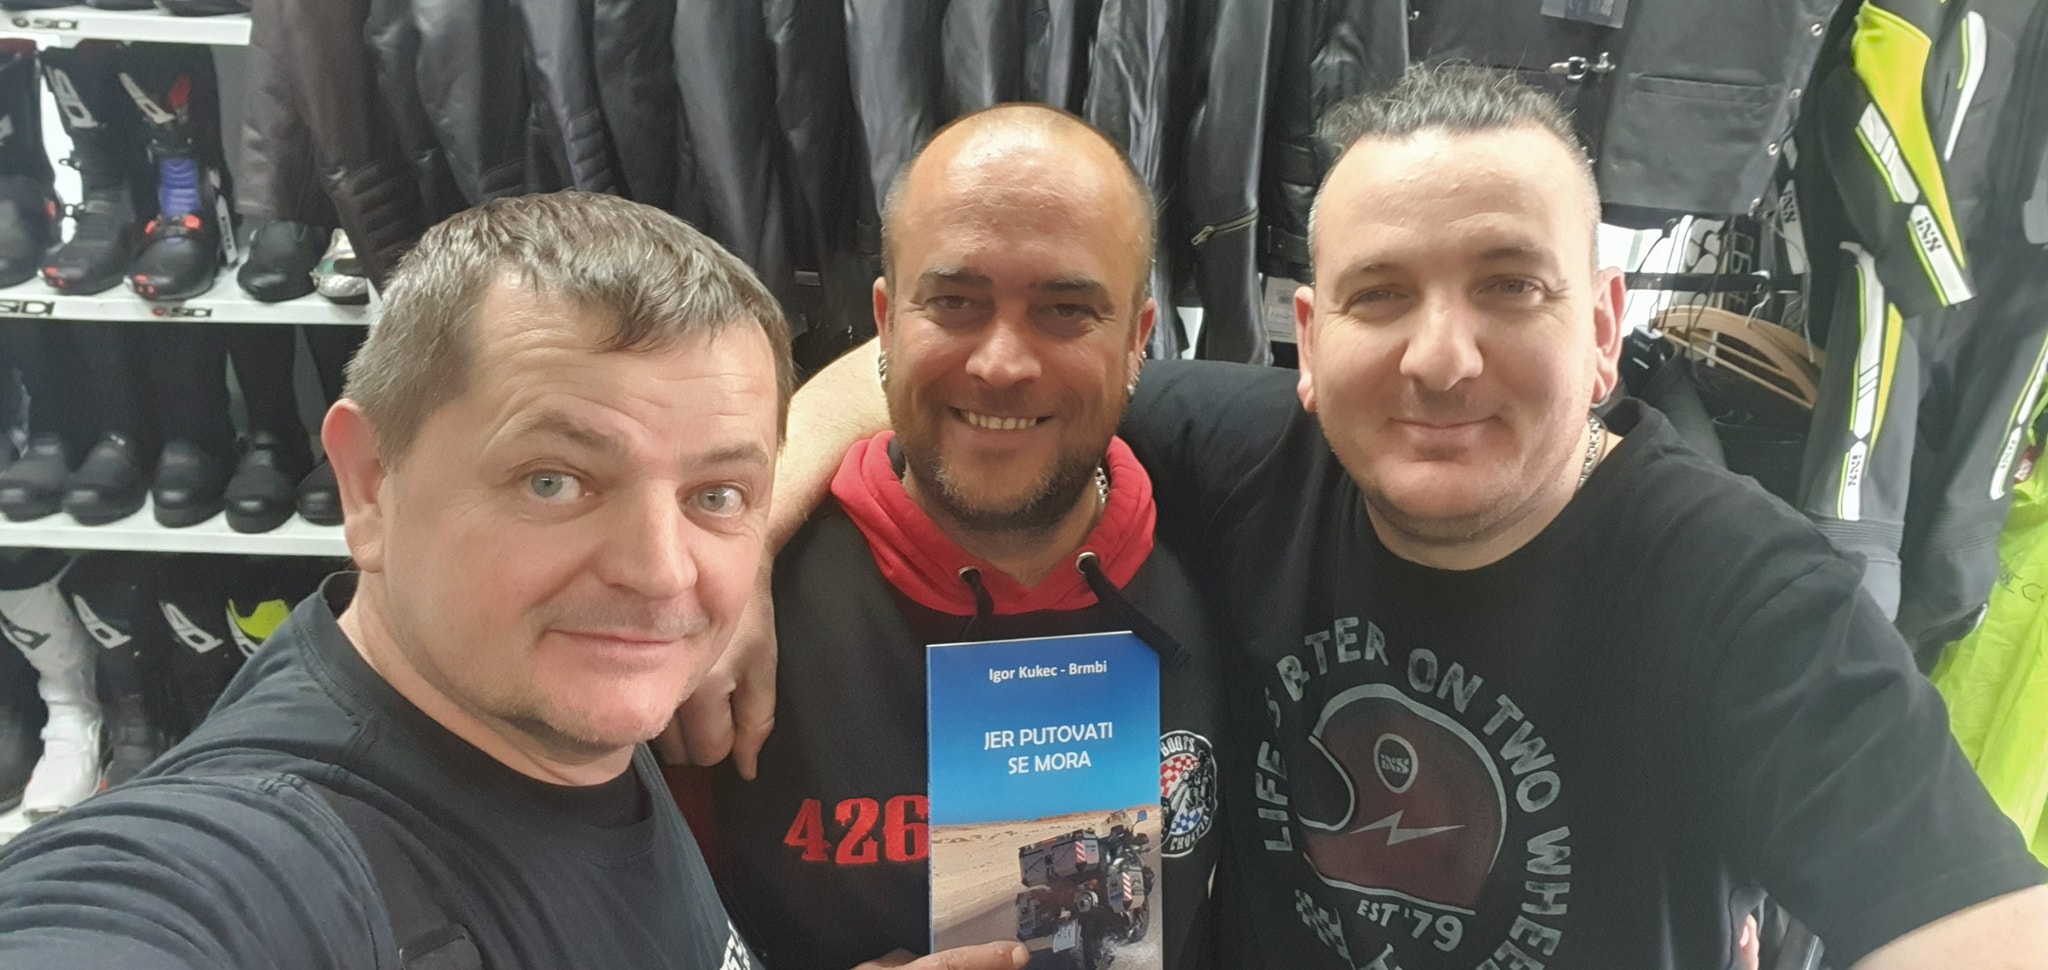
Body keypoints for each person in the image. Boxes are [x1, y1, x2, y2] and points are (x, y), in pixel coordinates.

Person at [749, 68, 2048, 968]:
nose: (1439, 358)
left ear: (1603, 328)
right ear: (1309, 342)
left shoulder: (1738, 589)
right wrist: (734, 558)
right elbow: (962, 363)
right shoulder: (1251, 452)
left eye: (1509, 286)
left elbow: (1974, 921)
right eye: (1379, 295)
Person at [0, 192, 1027, 970]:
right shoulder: (263, 864)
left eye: (716, 494)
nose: (658, 570)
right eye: (555, 480)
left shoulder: (548, 721)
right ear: (369, 484)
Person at [691, 105, 1226, 970]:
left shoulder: (1228, 552)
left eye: (1065, 308)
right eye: (955, 302)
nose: (1001, 363)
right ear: (886, 322)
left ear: (1139, 338)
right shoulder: (735, 609)